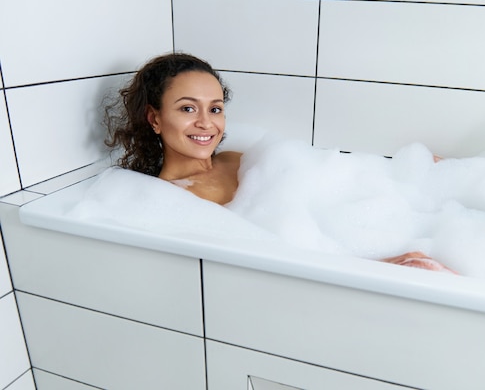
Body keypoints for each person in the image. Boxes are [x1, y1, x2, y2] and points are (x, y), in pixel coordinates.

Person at [105, 52, 456, 274]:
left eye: (215, 108)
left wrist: (410, 172)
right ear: (154, 119)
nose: (206, 122)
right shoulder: (170, 202)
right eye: (187, 108)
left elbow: (327, 182)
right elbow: (279, 261)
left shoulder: (243, 160)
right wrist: (373, 266)